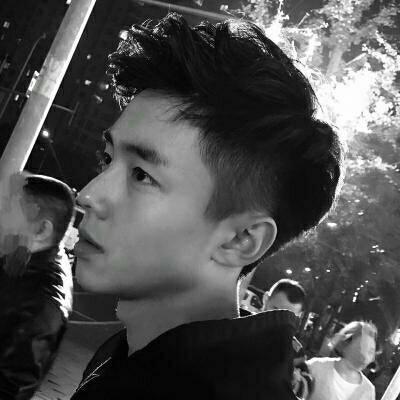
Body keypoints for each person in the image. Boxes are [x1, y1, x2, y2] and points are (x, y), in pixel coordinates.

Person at [72, 13, 343, 400]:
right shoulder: (132, 357)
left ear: (240, 239)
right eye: (107, 157)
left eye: (142, 175)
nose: (88, 195)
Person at [0, 174, 75, 400]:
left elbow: (11, 388)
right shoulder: (25, 257)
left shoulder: (42, 304)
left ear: (41, 229)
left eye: (9, 212)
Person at [263, 279, 312, 399]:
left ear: (298, 316)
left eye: (288, 316)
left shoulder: (295, 349)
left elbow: (305, 387)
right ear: (265, 299)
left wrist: (292, 380)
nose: (279, 319)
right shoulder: (239, 326)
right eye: (275, 310)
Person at [306, 321, 377, 400]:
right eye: (362, 347)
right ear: (346, 343)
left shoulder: (368, 391)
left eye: (370, 351)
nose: (365, 356)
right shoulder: (316, 367)